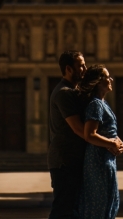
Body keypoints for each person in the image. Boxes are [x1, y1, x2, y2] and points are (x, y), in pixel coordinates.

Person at [78, 65, 123, 219]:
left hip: (107, 159)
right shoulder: (95, 105)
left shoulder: (102, 103)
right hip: (98, 160)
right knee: (99, 204)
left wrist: (121, 143)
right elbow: (90, 135)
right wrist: (112, 144)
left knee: (109, 200)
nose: (110, 79)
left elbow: (109, 131)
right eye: (107, 77)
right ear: (98, 82)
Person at [47, 51, 89, 218]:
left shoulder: (72, 91)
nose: (85, 68)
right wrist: (108, 142)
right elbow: (78, 129)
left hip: (72, 160)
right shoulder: (64, 93)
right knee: (63, 209)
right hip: (65, 161)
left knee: (71, 209)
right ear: (69, 69)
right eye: (81, 65)